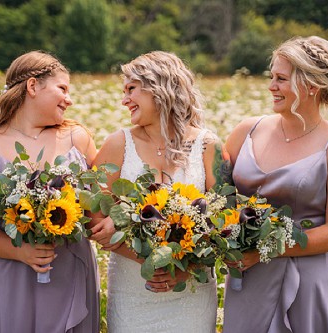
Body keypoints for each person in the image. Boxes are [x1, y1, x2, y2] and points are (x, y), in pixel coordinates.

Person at [0, 51, 100, 333]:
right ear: (33, 86)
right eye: (62, 88)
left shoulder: (77, 138)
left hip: (72, 271)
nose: (69, 99)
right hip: (14, 277)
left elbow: (99, 207)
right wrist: (21, 252)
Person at [223, 36, 328, 332]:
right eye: (271, 77)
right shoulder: (246, 131)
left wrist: (266, 250)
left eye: (280, 79)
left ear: (311, 86)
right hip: (250, 279)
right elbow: (215, 196)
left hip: (311, 279)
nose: (271, 86)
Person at [90, 51, 227, 333]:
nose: (124, 100)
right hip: (134, 290)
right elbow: (93, 220)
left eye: (131, 89)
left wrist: (184, 269)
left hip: (191, 292)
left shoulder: (208, 145)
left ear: (160, 87)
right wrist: (151, 262)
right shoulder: (118, 144)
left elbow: (227, 220)